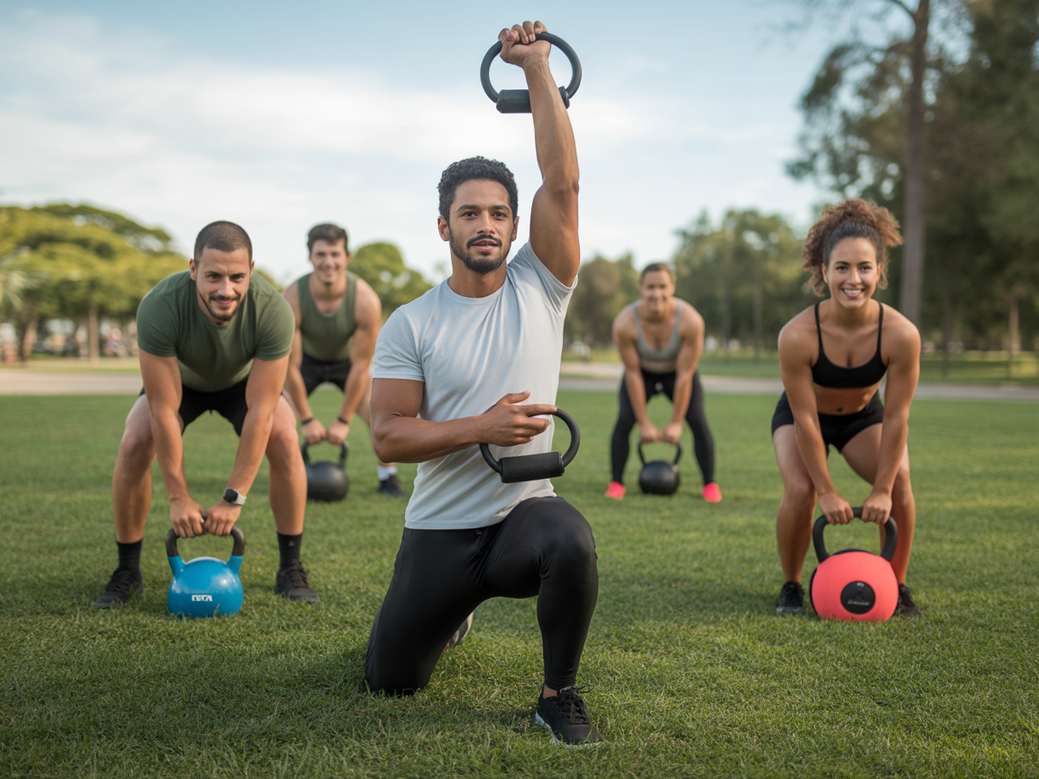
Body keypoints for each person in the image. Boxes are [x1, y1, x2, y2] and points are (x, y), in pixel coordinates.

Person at [365, 22, 601, 747]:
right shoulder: (411, 322)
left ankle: (556, 693)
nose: (487, 224)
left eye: (499, 212)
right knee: (390, 680)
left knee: (572, 540)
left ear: (514, 224)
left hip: (521, 516)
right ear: (444, 226)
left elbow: (561, 179)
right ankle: (453, 609)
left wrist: (534, 68)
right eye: (470, 212)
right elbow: (388, 434)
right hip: (440, 530)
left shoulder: (543, 283)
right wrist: (480, 427)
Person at [93, 221, 318, 608]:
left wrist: (233, 498)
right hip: (182, 384)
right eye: (213, 276)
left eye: (236, 277)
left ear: (251, 270)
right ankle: (127, 570)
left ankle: (291, 567)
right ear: (193, 269)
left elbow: (263, 409)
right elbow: (163, 409)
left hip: (242, 385)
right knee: (135, 441)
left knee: (283, 434)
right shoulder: (159, 305)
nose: (225, 289)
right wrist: (178, 496)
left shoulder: (273, 311)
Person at [771, 199, 921, 617]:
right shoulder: (797, 335)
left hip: (862, 418)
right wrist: (826, 490)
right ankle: (791, 586)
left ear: (879, 271)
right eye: (842, 267)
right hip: (805, 418)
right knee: (800, 490)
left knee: (902, 481)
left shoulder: (901, 335)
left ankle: (897, 583)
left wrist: (883, 489)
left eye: (864, 267)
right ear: (823, 271)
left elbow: (896, 416)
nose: (853, 279)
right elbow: (803, 418)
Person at [282, 223, 406, 497]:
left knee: (380, 413)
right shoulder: (291, 297)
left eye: (335, 254)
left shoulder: (365, 300)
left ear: (347, 257)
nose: (328, 261)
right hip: (305, 364)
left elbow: (361, 365)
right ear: (310, 257)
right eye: (321, 254)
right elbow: (289, 365)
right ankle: (281, 479)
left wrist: (342, 419)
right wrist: (306, 419)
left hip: (347, 364)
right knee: (272, 414)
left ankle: (388, 478)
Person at [605, 263, 721, 502]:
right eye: (650, 287)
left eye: (662, 287)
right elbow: (633, 373)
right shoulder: (625, 323)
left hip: (677, 375)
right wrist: (645, 423)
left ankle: (710, 484)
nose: (656, 293)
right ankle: (616, 483)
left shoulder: (691, 321)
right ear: (640, 288)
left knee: (697, 419)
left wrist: (676, 421)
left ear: (672, 287)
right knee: (625, 420)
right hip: (642, 374)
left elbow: (685, 374)